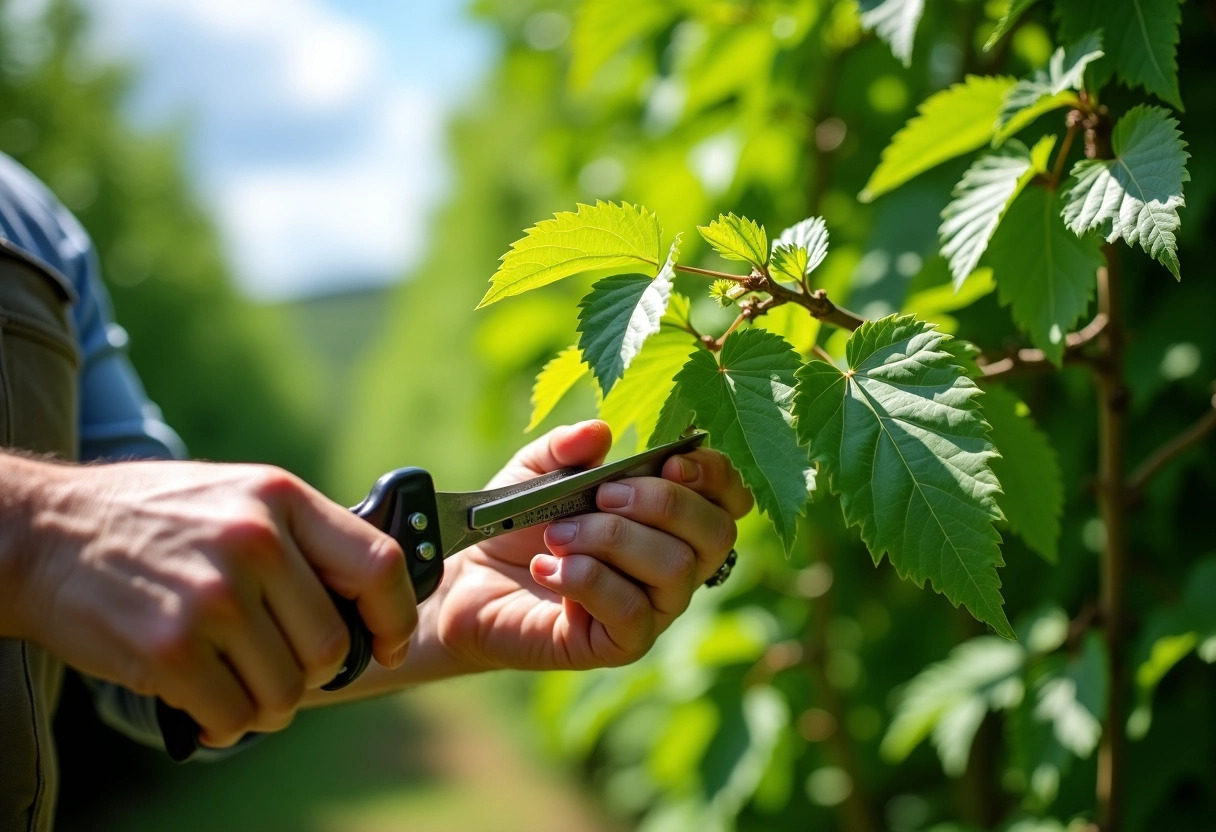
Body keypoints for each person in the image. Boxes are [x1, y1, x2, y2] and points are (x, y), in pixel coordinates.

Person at [0, 150, 753, 830]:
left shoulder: (37, 229)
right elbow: (97, 537)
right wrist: (41, 528)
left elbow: (176, 651)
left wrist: (446, 602)